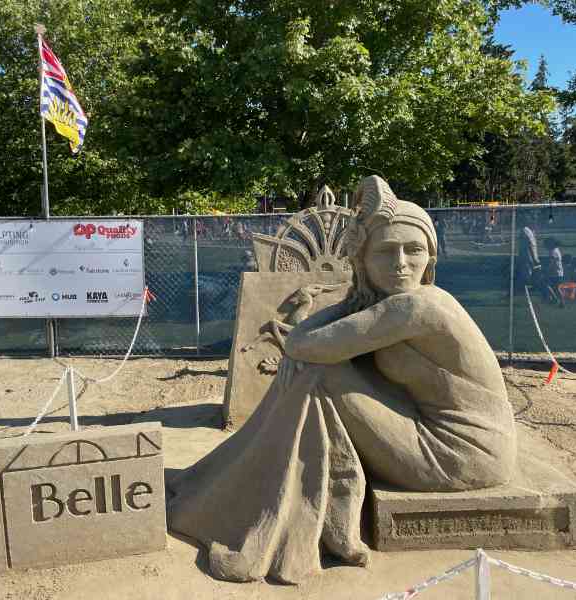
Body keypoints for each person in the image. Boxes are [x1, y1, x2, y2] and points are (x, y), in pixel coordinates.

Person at [167, 175, 516, 584]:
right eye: (385, 252)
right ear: (362, 260)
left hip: (460, 453)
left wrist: (352, 294)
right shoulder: (397, 305)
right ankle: (254, 487)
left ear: (431, 257)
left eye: (414, 250)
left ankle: (284, 507)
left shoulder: (416, 307)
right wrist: (356, 293)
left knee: (317, 370)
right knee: (316, 367)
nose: (401, 263)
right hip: (447, 433)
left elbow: (301, 343)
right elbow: (311, 341)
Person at [544, 238, 565, 307]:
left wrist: (546, 269)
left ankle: (556, 299)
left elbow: (552, 262)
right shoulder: (556, 250)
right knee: (556, 288)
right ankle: (559, 301)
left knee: (548, 285)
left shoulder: (553, 251)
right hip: (558, 272)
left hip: (555, 273)